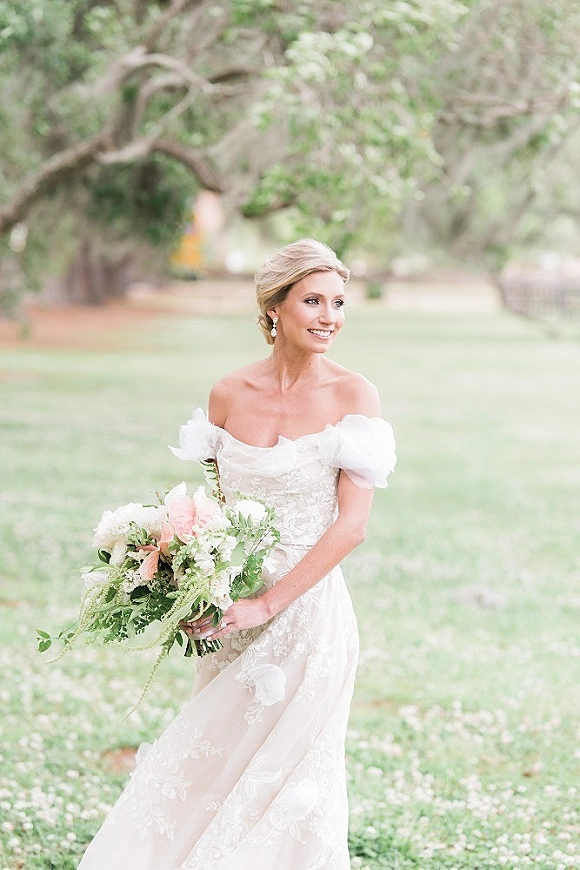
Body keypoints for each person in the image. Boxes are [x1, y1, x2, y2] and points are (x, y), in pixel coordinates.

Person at [77, 238, 396, 870]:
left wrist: (267, 604)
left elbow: (351, 527)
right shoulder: (229, 393)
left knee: (291, 782)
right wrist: (190, 580)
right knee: (211, 760)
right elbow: (220, 514)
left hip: (307, 618)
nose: (330, 316)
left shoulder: (354, 397)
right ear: (274, 307)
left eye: (338, 302)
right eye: (313, 301)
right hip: (231, 611)